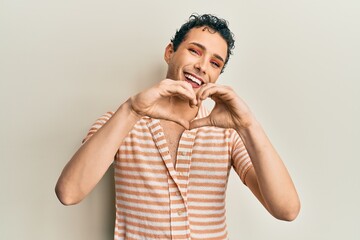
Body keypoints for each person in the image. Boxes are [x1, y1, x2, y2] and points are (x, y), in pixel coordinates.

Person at [55, 14, 300, 240]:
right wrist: (131, 110)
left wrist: (248, 125)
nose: (203, 66)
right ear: (170, 52)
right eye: (195, 51)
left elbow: (287, 210)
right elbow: (68, 193)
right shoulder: (120, 121)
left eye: (215, 63)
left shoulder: (228, 133)